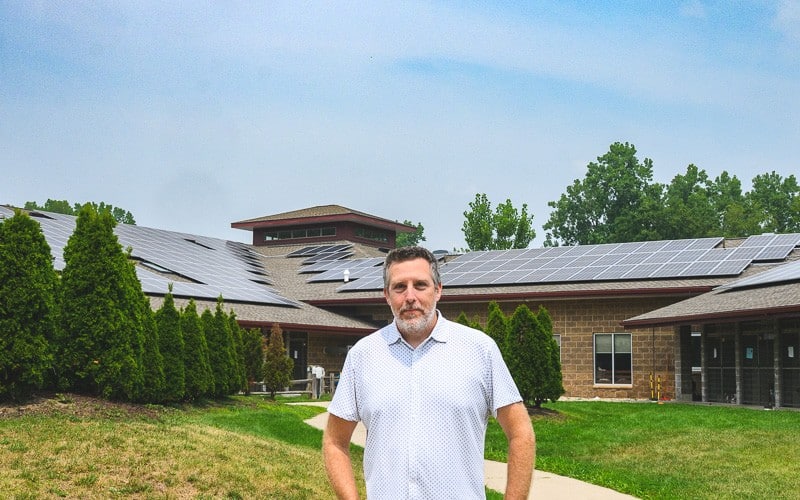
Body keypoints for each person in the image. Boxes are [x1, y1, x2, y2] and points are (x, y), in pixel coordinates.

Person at [323, 246, 535, 499]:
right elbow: (335, 442)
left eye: (420, 285)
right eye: (400, 287)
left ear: (438, 290)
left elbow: (521, 433)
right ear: (387, 296)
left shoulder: (479, 350)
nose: (410, 296)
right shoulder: (363, 356)